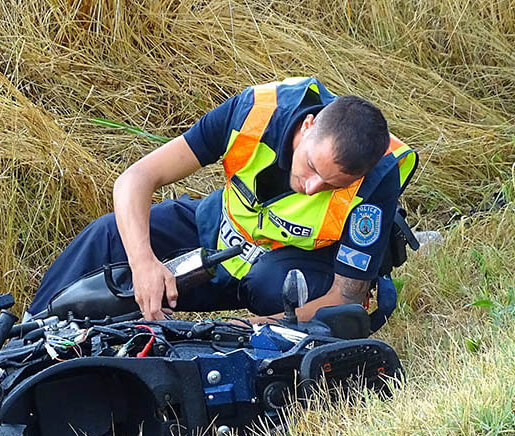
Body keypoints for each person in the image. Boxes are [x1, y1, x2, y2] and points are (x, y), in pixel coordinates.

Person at [27, 77, 418, 327]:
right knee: (110, 234)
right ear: (308, 126)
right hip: (216, 235)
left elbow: (346, 296)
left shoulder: (378, 178)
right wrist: (143, 263)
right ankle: (28, 333)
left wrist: (258, 326)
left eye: (331, 184)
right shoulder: (254, 112)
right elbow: (136, 179)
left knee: (280, 287)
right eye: (312, 167)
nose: (312, 187)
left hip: (287, 272)